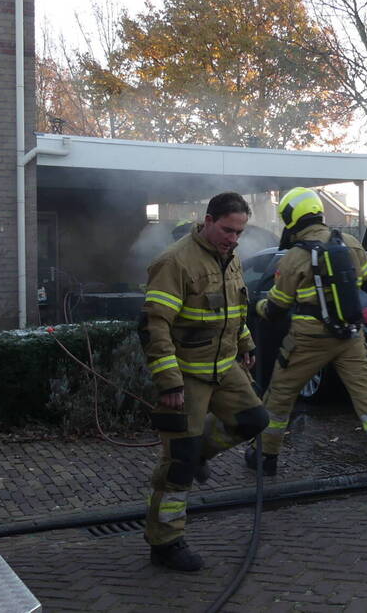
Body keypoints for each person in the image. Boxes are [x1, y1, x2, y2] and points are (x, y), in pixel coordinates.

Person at [249, 187, 367, 496]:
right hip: (351, 335)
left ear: (291, 218)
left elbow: (276, 307)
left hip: (308, 338)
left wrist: (255, 306)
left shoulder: (296, 257)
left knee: (281, 394)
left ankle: (265, 457)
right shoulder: (350, 243)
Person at [139, 192, 269, 571]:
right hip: (186, 373)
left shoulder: (230, 258)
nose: (234, 238)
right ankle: (165, 543)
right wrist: (169, 382)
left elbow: (235, 310)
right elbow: (154, 325)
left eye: (239, 232)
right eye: (227, 230)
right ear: (208, 220)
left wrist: (245, 344)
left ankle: (197, 454)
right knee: (178, 464)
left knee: (254, 420)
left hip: (225, 366)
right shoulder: (174, 262)